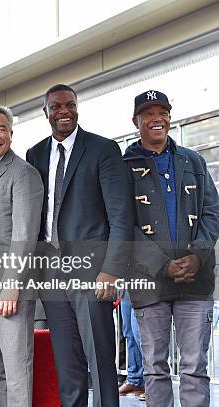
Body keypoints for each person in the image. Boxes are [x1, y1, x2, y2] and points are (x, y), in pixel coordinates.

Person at [25, 84, 133, 407]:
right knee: (67, 363)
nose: (64, 111)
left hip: (93, 272)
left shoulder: (103, 150)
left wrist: (112, 270)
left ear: (77, 108)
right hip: (51, 272)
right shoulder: (36, 154)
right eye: (56, 106)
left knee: (100, 361)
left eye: (70, 105)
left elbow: (121, 216)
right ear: (46, 112)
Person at [124, 90, 219, 407]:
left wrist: (198, 255)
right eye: (148, 114)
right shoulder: (123, 165)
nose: (156, 119)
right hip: (149, 281)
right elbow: (121, 224)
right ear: (135, 121)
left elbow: (211, 211)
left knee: (195, 367)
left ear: (169, 117)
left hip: (196, 278)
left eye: (162, 112)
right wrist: (160, 263)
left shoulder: (193, 160)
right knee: (155, 369)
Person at [0, 103, 43, 407]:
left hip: (10, 289)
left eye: (1, 129)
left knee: (16, 370)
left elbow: (25, 235)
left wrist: (13, 285)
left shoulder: (23, 173)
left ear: (11, 134)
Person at [118, 290, 145, 398]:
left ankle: (151, 382)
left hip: (142, 282)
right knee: (129, 333)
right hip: (126, 282)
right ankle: (134, 380)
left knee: (139, 333)